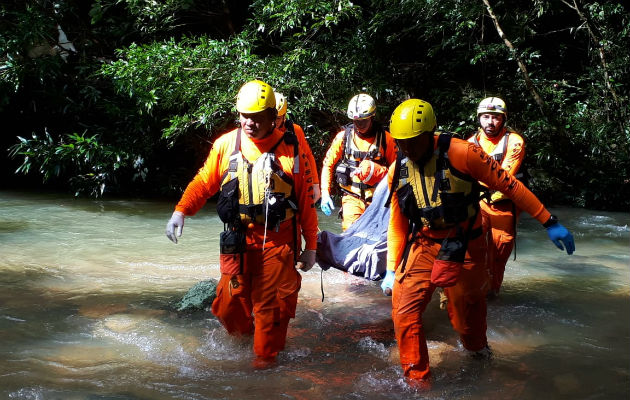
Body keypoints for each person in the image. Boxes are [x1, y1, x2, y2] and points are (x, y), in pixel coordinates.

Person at [380, 99, 575, 388]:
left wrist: (549, 221)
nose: (407, 149)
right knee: (404, 311)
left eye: (412, 142)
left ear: (429, 134)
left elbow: (511, 186)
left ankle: (478, 353)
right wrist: (390, 268)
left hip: (465, 244)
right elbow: (397, 222)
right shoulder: (398, 168)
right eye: (401, 143)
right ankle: (417, 383)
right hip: (423, 243)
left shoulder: (463, 153)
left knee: (466, 317)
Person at [165, 79, 318, 368]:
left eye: (257, 117)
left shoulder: (292, 148)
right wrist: (181, 211)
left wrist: (311, 246)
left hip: (278, 240)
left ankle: (264, 364)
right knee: (228, 304)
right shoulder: (226, 144)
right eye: (244, 116)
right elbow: (204, 181)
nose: (249, 123)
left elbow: (307, 201)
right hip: (237, 239)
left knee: (269, 307)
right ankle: (249, 337)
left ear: (273, 117)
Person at [468, 97, 525, 298]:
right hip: (479, 204)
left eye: (495, 118)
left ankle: (492, 293)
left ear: (503, 119)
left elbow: (504, 176)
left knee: (499, 255)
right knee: (471, 249)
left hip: (504, 205)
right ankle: (472, 290)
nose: (490, 122)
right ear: (478, 119)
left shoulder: (514, 141)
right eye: (485, 117)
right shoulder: (470, 143)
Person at [320, 93, 397, 230]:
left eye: (363, 121)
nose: (359, 125)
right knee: (351, 237)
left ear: (372, 117)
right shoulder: (343, 138)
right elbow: (328, 164)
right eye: (356, 121)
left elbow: (397, 171)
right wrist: (325, 192)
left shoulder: (386, 139)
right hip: (352, 198)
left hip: (379, 200)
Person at [274, 92, 321, 203]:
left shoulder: (295, 131)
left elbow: (308, 156)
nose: (273, 123)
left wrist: (315, 184)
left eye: (277, 119)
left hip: (293, 184)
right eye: (271, 118)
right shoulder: (260, 133)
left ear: (284, 116)